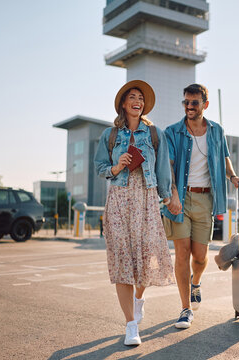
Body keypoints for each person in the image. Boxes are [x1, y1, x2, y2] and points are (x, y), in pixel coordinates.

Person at [94, 80, 176, 346]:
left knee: (146, 257)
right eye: (132, 96)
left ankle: (139, 298)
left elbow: (163, 167)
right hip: (118, 199)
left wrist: (169, 195)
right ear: (123, 104)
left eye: (140, 97)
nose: (137, 100)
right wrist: (116, 167)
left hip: (146, 198)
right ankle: (131, 325)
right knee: (122, 261)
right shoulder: (110, 135)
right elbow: (100, 167)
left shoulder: (155, 134)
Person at [162, 83, 239, 329]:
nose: (189, 106)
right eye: (186, 102)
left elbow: (224, 157)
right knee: (182, 255)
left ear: (205, 105)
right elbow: (168, 165)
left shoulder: (217, 131)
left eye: (194, 102)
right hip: (180, 199)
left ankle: (196, 282)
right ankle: (185, 308)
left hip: (206, 199)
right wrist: (172, 196)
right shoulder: (173, 132)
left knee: (200, 257)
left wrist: (232, 176)